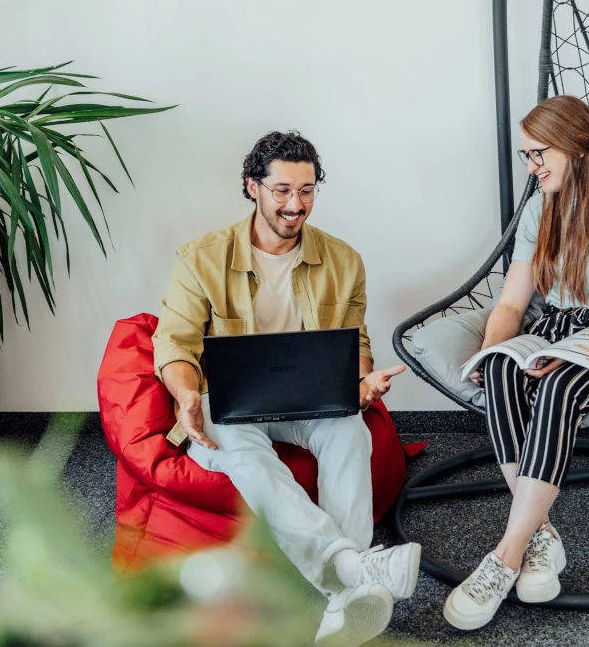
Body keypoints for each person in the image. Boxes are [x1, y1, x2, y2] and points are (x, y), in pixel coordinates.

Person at [152, 130, 420, 646]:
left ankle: (344, 586)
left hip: (308, 398)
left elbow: (355, 341)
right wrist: (187, 396)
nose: (295, 205)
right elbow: (174, 345)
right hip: (230, 404)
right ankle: (353, 572)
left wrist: (362, 379)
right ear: (252, 187)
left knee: (350, 432)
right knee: (235, 444)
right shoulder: (200, 257)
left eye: (306, 190)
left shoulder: (344, 260)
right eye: (281, 190)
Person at [443, 96, 589, 630]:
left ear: (576, 145)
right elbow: (511, 304)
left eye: (539, 153)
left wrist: (579, 349)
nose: (532, 166)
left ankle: (506, 555)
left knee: (559, 388)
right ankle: (542, 533)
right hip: (552, 329)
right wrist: (491, 348)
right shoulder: (541, 209)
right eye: (526, 156)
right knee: (500, 371)